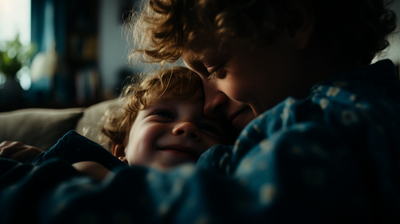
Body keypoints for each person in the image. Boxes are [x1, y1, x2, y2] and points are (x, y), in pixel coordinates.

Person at [1, 0, 399, 223]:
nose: (211, 103)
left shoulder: (346, 117)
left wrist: (43, 190)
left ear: (293, 21)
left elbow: (224, 206)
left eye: (217, 69)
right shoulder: (315, 115)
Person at [0, 67, 236, 180]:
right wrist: (42, 163)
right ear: (121, 148)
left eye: (207, 128)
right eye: (164, 114)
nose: (187, 127)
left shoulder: (222, 185)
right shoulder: (93, 168)